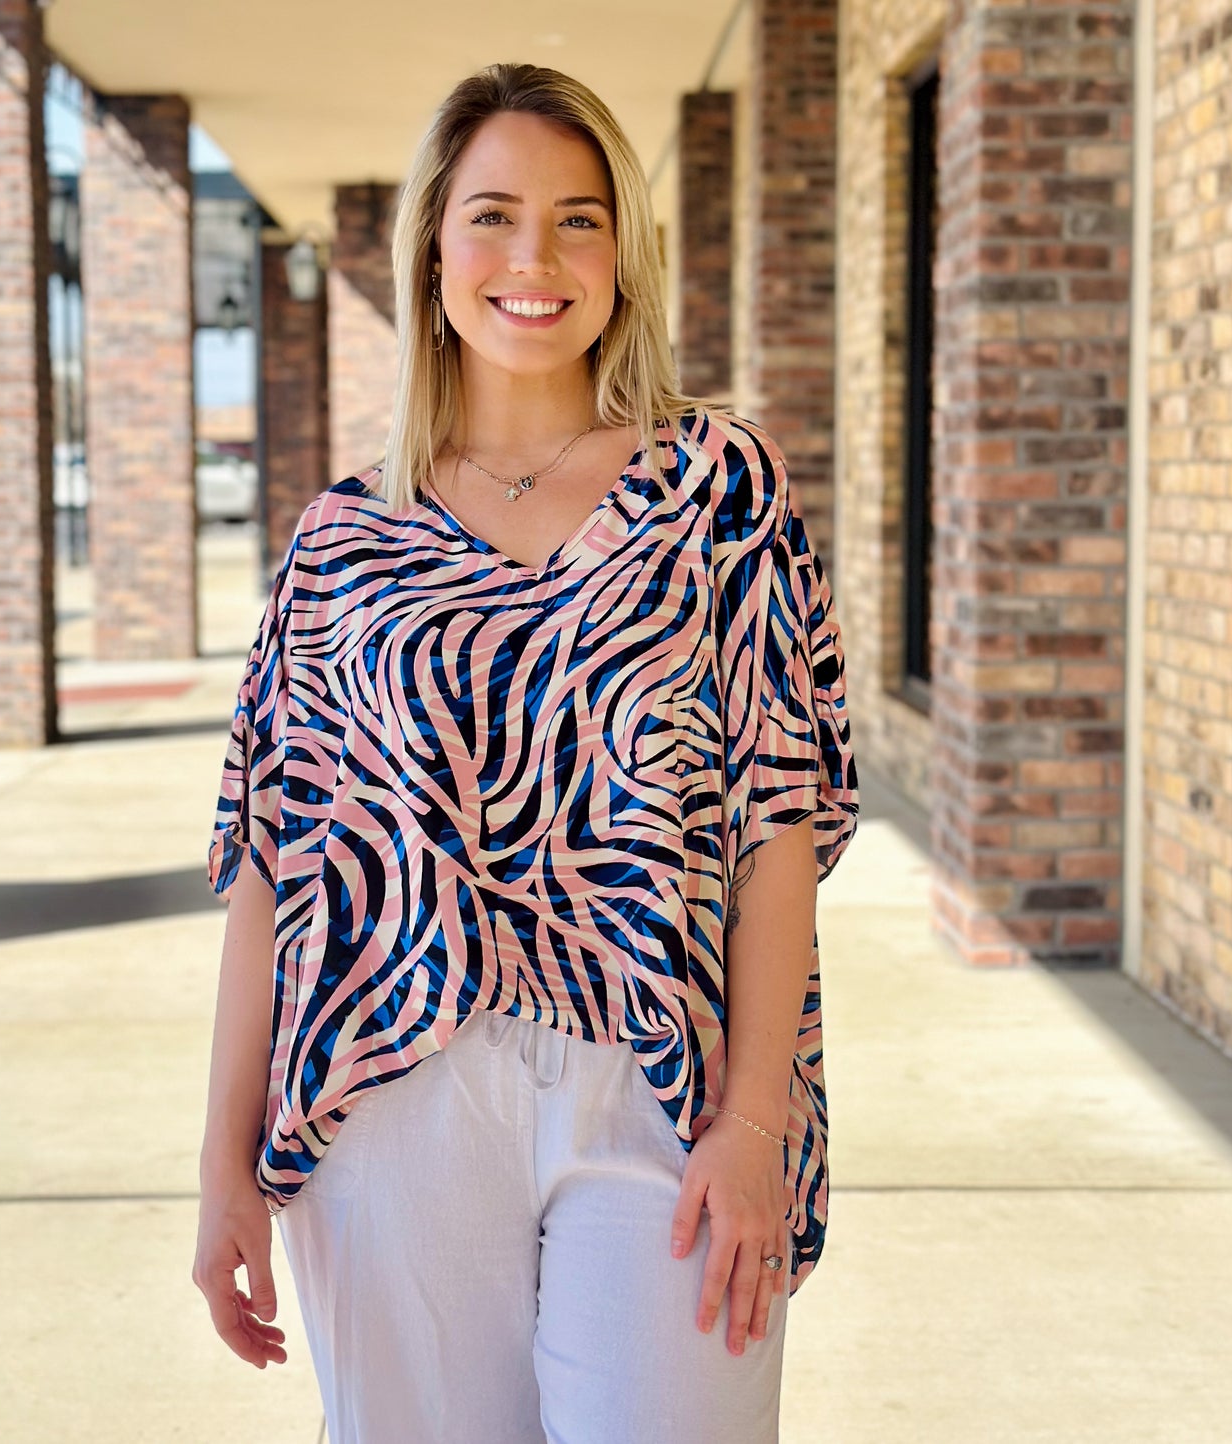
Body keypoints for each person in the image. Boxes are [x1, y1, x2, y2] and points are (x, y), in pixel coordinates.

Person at [191, 60, 858, 1444]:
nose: (533, 260)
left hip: (657, 1088)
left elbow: (777, 821)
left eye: (578, 219)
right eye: (492, 215)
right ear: (433, 240)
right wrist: (220, 1171)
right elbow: (272, 870)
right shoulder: (338, 545)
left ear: (624, 254)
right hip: (387, 1099)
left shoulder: (715, 491)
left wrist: (752, 1123)